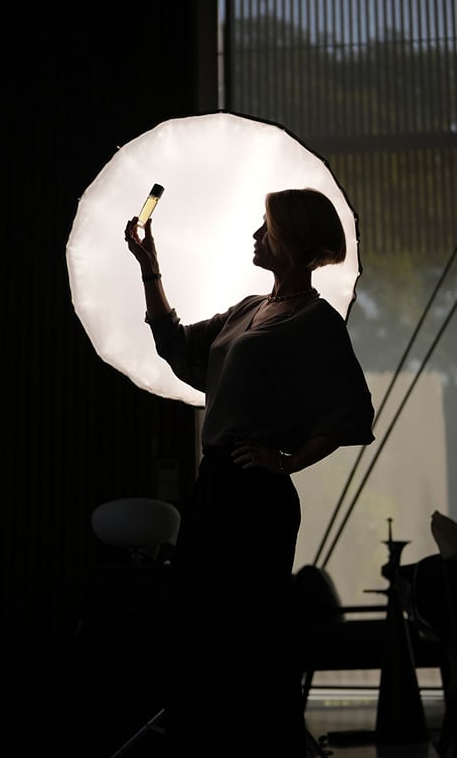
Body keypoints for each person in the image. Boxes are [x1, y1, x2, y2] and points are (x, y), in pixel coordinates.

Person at [125, 188, 375, 756]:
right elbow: (177, 347)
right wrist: (150, 269)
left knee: (250, 635)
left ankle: (263, 745)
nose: (256, 237)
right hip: (215, 485)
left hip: (256, 495)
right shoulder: (247, 309)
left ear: (292, 240)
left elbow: (350, 415)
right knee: (195, 627)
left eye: (266, 229)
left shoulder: (315, 322)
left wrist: (285, 461)